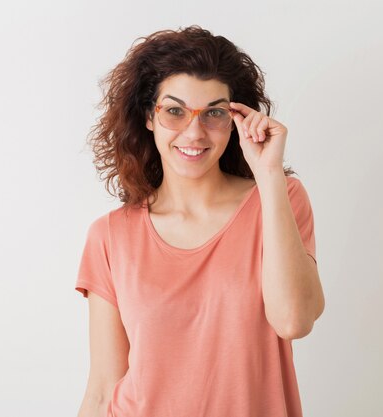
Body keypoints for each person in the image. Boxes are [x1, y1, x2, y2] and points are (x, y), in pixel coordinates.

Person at [75, 25, 325, 417]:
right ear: (148, 116)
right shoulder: (110, 235)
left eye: (214, 113)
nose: (194, 131)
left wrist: (270, 174)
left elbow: (294, 320)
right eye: (175, 111)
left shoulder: (279, 199)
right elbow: (105, 388)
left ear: (237, 120)